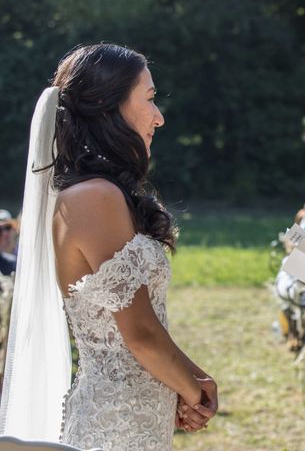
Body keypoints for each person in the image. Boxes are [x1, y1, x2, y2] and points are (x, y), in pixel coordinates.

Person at [0, 44, 217, 449]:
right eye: (150, 99)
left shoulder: (102, 194)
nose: (160, 117)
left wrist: (194, 377)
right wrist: (195, 392)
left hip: (136, 416)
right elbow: (140, 333)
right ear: (107, 107)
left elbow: (148, 328)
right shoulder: (92, 198)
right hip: (114, 425)